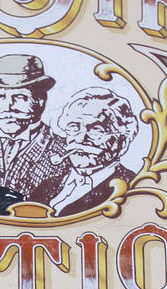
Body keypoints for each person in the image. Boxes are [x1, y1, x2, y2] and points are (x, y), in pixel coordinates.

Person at [0, 54, 67, 201]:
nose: (8, 107)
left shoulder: (65, 152)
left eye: (19, 97)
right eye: (1, 96)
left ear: (40, 101)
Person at [33, 86, 139, 215]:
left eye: (96, 129)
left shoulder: (132, 187)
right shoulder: (47, 186)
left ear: (122, 139)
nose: (80, 139)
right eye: (73, 127)